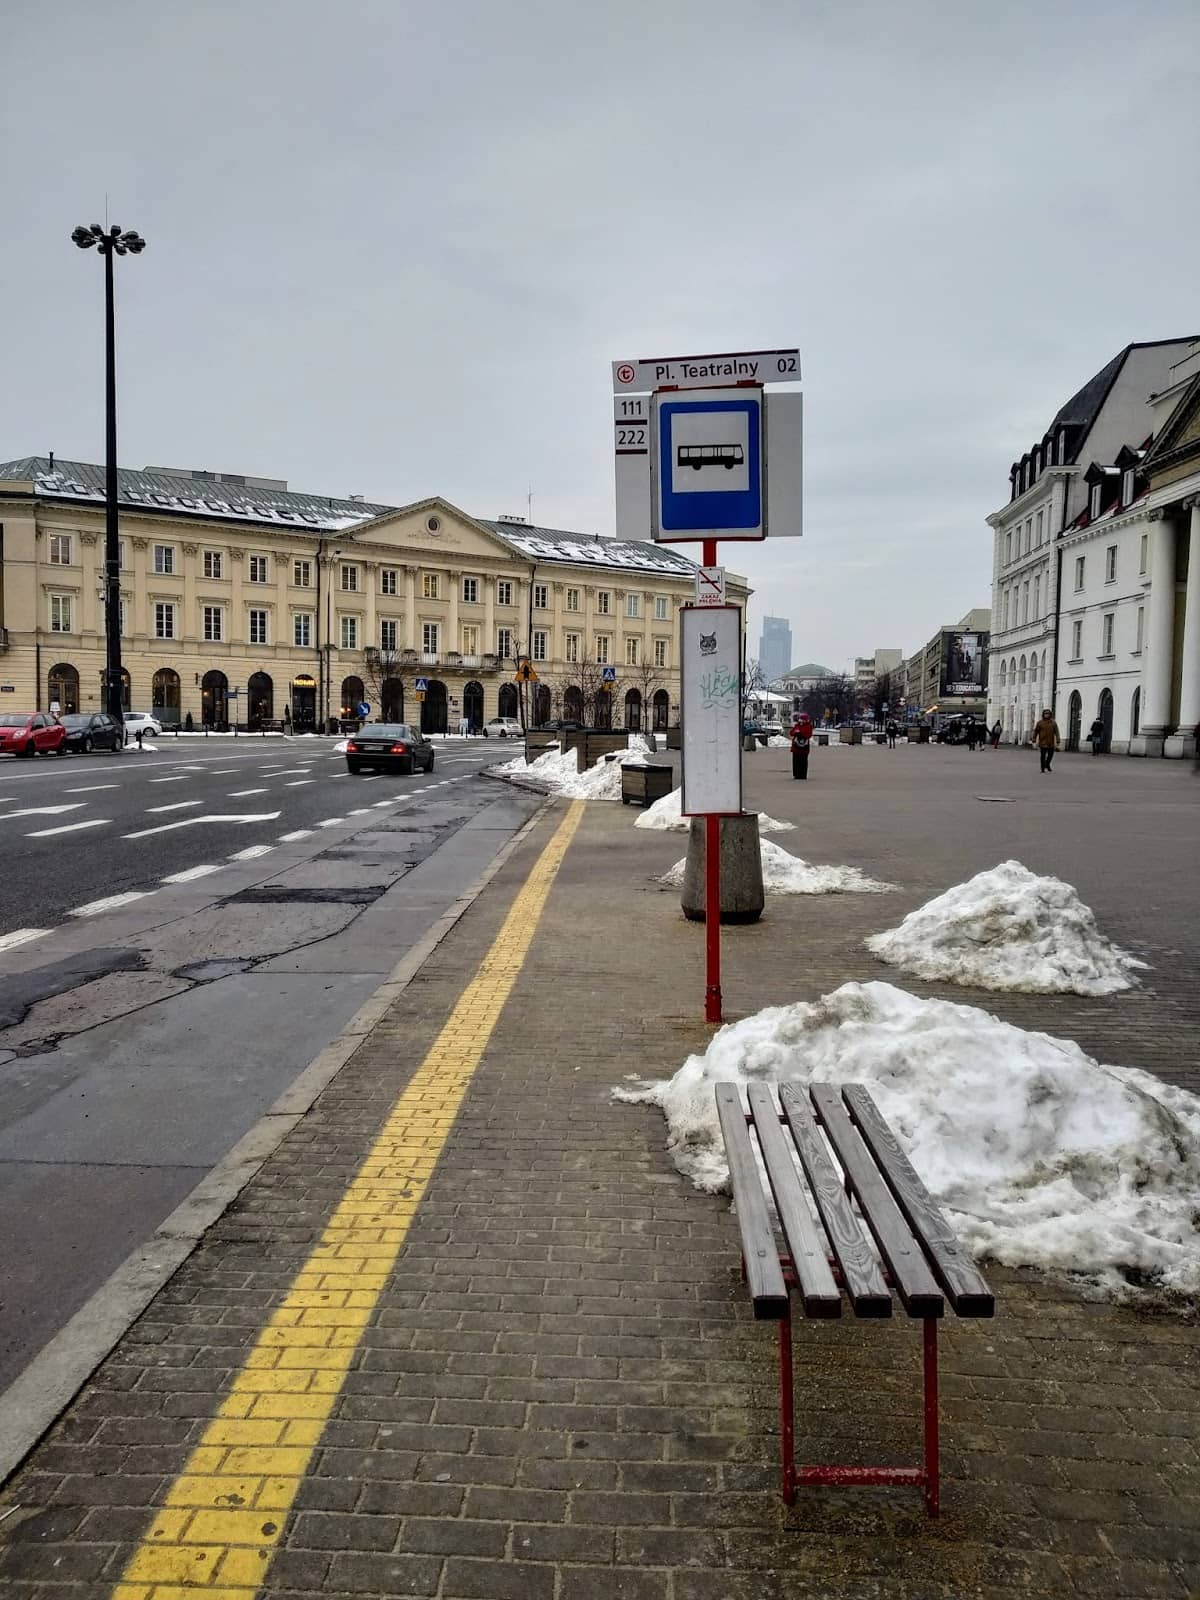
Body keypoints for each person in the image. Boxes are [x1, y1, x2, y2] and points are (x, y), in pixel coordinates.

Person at [1033, 708, 1061, 772]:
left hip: (1050, 742)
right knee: (1043, 756)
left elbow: (1057, 732)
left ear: (1050, 715)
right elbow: (1036, 732)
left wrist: (1058, 741)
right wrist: (1034, 740)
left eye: (1048, 714)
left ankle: (1047, 764)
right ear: (1043, 714)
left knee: (1050, 755)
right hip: (1042, 742)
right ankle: (1042, 768)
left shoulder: (1053, 723)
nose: (1046, 715)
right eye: (1045, 714)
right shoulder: (1040, 723)